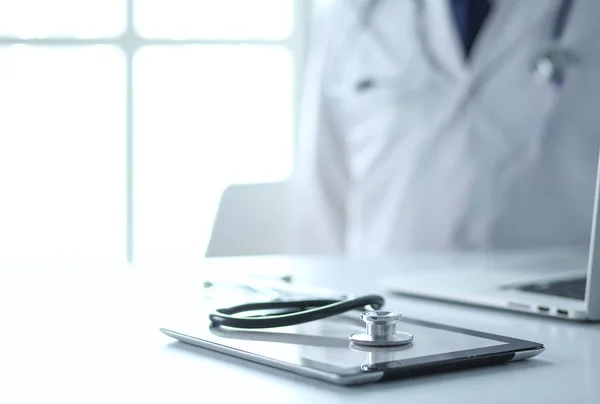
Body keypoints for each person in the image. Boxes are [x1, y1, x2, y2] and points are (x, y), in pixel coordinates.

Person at [292, 0, 600, 255]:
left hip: (551, 302)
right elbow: (324, 183)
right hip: (383, 300)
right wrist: (322, 310)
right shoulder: (354, 13)